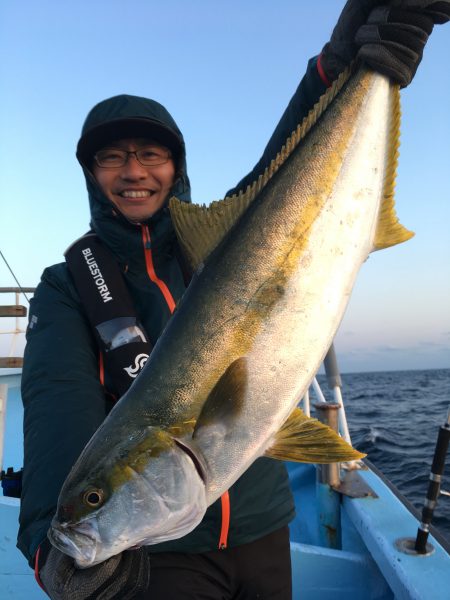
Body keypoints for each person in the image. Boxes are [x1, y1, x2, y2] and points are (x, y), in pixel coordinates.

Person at [17, 2, 449, 599]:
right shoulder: (69, 284)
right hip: (168, 559)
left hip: (264, 525)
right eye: (111, 157)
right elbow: (58, 412)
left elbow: (284, 171)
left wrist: (340, 65)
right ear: (92, 175)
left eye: (151, 154)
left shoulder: (216, 240)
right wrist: (47, 539)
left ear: (176, 166)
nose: (133, 170)